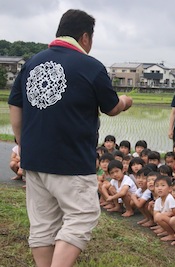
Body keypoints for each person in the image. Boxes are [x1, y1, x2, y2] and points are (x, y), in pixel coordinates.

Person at [8, 9, 133, 267]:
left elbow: (15, 107)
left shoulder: (31, 63)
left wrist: (23, 145)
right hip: (71, 160)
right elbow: (111, 107)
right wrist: (125, 101)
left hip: (34, 160)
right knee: (82, 215)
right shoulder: (91, 66)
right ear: (85, 37)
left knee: (43, 223)